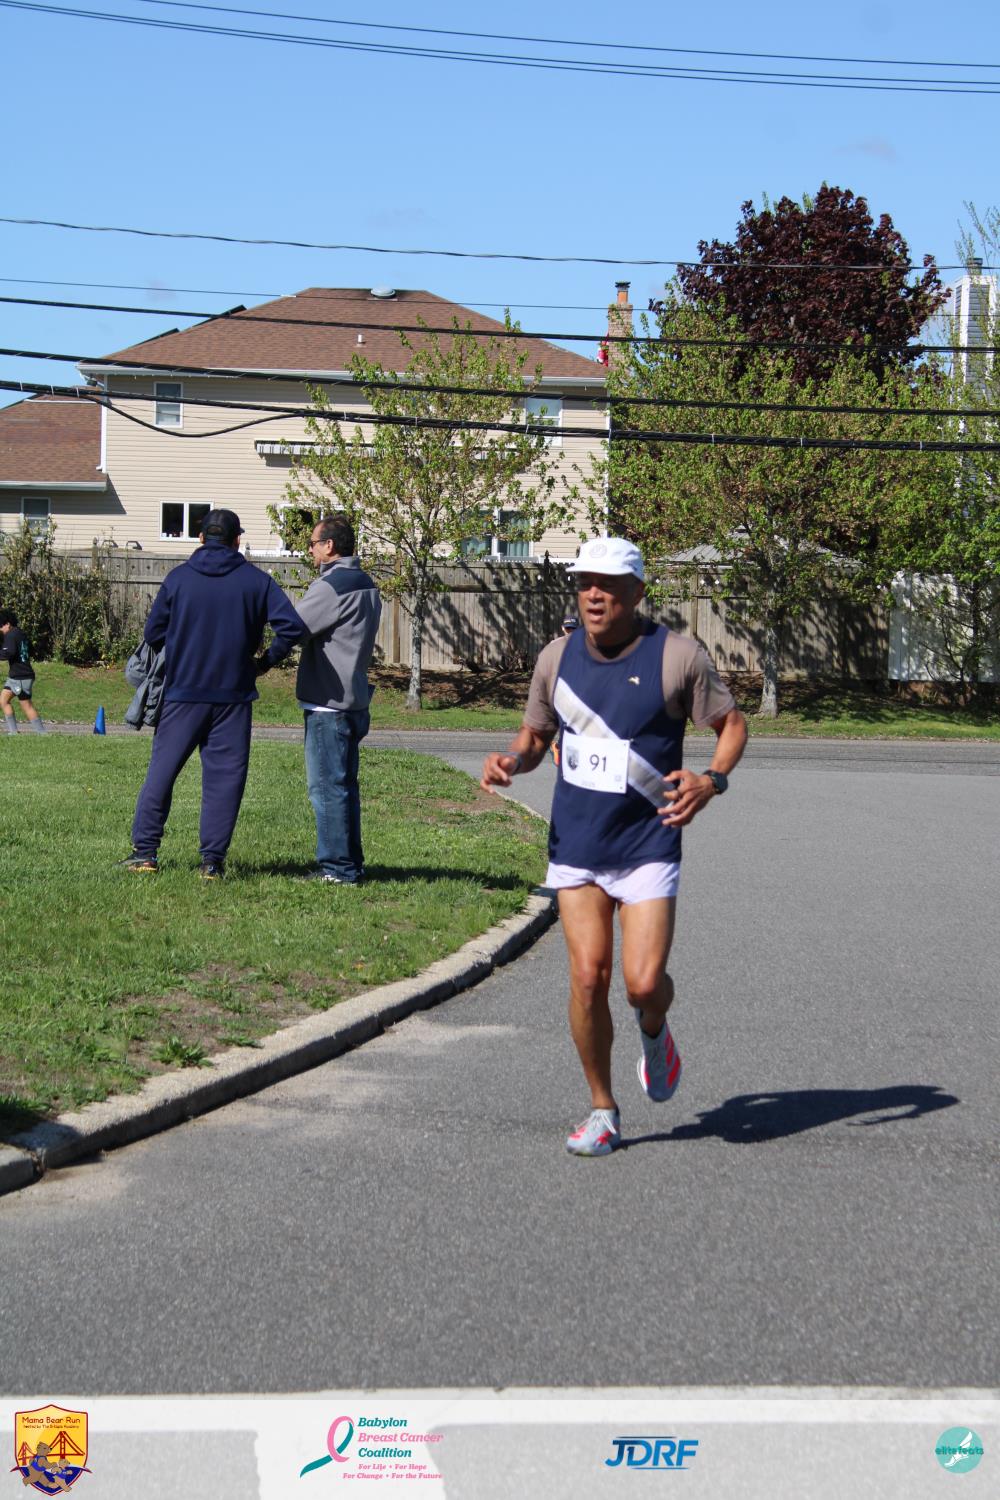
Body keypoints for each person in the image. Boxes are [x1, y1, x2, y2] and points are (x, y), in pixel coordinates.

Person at [481, 537, 748, 1157]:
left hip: (649, 842)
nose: (593, 595)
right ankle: (603, 1108)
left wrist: (711, 780)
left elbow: (731, 724)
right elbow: (534, 735)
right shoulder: (556, 657)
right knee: (587, 976)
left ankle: (654, 1030)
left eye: (607, 584)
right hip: (577, 843)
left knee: (643, 983)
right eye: (584, 583)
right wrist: (512, 760)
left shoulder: (676, 657)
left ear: (638, 592)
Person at [121, 509, 305, 878]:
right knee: (224, 780)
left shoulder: (179, 579)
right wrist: (264, 662)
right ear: (237, 540)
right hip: (233, 697)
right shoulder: (257, 582)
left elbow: (154, 634)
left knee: (162, 773)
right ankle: (211, 863)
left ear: (202, 538)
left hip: (182, 693)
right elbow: (292, 628)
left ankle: (145, 854)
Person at [294, 513, 382, 885]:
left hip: (327, 702)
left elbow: (294, 627)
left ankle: (337, 869)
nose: (310, 550)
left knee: (327, 789)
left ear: (329, 546)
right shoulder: (367, 583)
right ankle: (351, 863)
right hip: (354, 697)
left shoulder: (331, 586)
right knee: (345, 788)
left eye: (313, 544)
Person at [0, 610, 45, 734]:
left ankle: (42, 734)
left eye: (1, 626)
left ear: (8, 624)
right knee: (3, 700)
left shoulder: (10, 635)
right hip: (19, 675)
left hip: (20, 676)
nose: (0, 629)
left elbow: (9, 652)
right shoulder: (21, 633)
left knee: (26, 705)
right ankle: (14, 732)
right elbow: (31, 650)